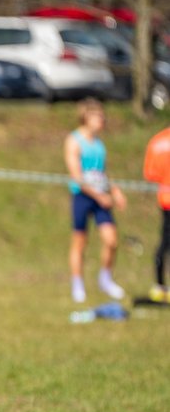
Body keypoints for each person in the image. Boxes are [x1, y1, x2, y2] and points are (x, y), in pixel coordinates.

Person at [64, 98, 127, 303]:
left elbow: (102, 172)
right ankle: (77, 284)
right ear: (86, 117)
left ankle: (105, 279)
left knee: (111, 240)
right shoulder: (74, 141)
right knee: (80, 242)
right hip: (83, 196)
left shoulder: (99, 144)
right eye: (98, 116)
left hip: (102, 197)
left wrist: (114, 190)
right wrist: (99, 196)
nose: (102, 120)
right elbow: (77, 176)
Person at [143, 126, 170, 303]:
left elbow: (150, 173)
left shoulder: (158, 140)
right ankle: (160, 286)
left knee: (165, 242)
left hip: (165, 199)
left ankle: (160, 284)